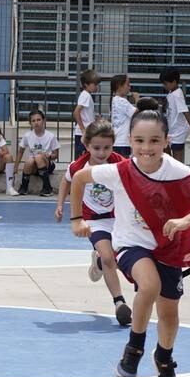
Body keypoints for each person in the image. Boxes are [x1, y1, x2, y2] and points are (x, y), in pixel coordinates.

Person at [69, 105, 190, 377]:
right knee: (148, 286)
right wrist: (77, 219)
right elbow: (78, 179)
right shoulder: (120, 171)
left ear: (166, 141)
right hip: (131, 245)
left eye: (154, 141)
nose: (146, 147)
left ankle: (163, 359)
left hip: (167, 247)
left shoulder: (177, 171)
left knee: (169, 313)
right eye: (139, 140)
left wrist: (185, 220)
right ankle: (134, 349)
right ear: (130, 140)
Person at [56, 120, 132, 326]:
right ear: (86, 145)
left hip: (117, 218)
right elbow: (66, 181)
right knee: (109, 259)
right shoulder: (78, 166)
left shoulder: (119, 163)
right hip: (93, 220)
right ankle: (119, 303)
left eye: (106, 147)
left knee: (118, 258)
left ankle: (97, 263)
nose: (101, 152)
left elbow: (132, 187)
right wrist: (60, 205)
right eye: (96, 148)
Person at [16, 109, 60, 196]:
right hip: (34, 166)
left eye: (38, 120)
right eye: (33, 121)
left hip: (47, 164)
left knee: (38, 157)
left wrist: (48, 155)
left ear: (44, 120)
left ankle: (47, 188)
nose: (36, 122)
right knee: (30, 160)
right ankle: (24, 187)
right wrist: (15, 167)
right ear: (30, 123)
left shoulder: (50, 136)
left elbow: (56, 155)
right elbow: (20, 152)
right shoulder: (27, 135)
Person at [160, 68, 190, 161]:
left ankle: (179, 174)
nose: (164, 86)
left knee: (178, 158)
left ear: (173, 82)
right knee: (166, 153)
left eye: (166, 84)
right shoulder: (171, 92)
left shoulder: (177, 94)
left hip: (178, 131)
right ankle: (172, 172)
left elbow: (186, 112)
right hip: (172, 130)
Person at [72, 68, 99, 158]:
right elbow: (76, 112)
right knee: (82, 158)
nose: (96, 86)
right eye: (94, 84)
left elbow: (84, 113)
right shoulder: (86, 96)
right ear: (86, 84)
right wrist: (83, 129)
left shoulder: (86, 95)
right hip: (83, 133)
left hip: (86, 132)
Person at [109, 74, 135, 158]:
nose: (129, 87)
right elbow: (136, 113)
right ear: (120, 86)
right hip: (123, 141)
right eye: (127, 84)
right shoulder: (122, 101)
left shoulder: (114, 100)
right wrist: (137, 99)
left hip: (117, 140)